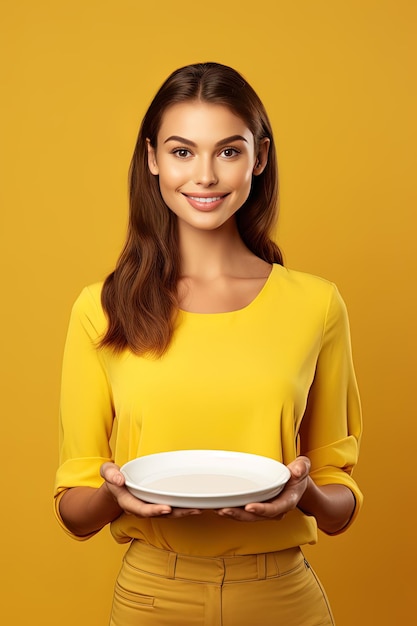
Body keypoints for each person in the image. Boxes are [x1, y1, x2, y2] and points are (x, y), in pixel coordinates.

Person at [54, 62, 362, 626]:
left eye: (227, 151)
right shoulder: (99, 308)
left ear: (259, 159)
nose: (205, 176)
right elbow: (74, 511)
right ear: (151, 158)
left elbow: (340, 503)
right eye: (181, 152)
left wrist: (304, 494)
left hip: (281, 597)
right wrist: (114, 494)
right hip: (152, 595)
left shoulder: (317, 305)